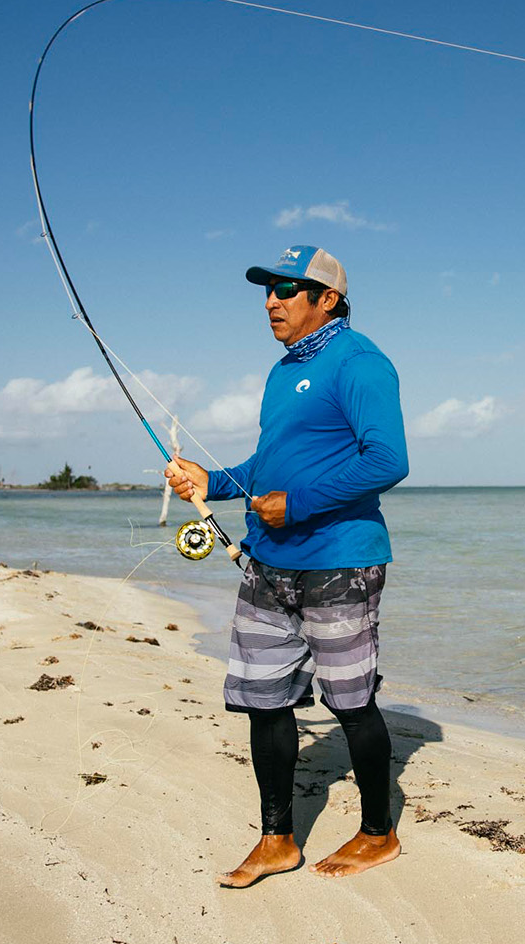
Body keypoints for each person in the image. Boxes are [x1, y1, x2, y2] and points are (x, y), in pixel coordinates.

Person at [163, 244, 409, 887]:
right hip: (268, 565)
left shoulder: (361, 363)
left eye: (288, 289)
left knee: (351, 705)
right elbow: (265, 471)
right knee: (263, 701)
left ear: (327, 299)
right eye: (267, 289)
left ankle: (379, 833)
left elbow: (388, 461)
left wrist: (296, 504)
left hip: (340, 563)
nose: (272, 300)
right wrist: (209, 481)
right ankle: (277, 840)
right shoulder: (281, 372)